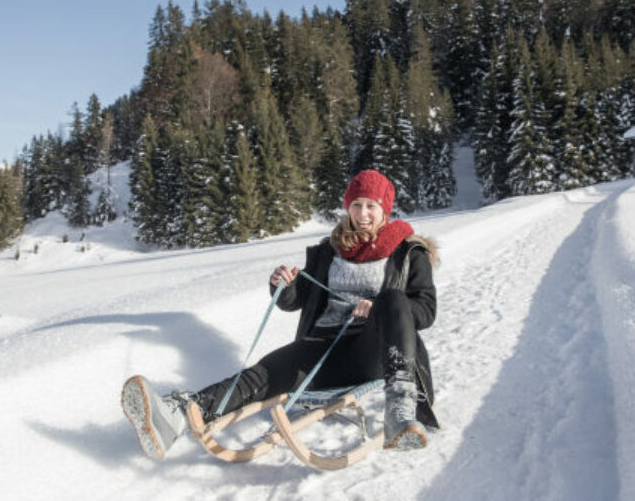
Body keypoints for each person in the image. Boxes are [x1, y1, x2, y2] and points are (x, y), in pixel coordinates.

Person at [121, 169, 439, 460]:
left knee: (393, 298)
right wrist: (284, 287)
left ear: (385, 208)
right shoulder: (330, 250)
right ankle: (176, 415)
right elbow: (297, 299)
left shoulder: (407, 251)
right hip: (322, 348)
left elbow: (425, 309)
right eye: (356, 205)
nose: (363, 213)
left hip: (376, 350)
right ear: (348, 208)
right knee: (261, 375)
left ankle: (399, 410)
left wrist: (378, 308)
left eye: (371, 205)